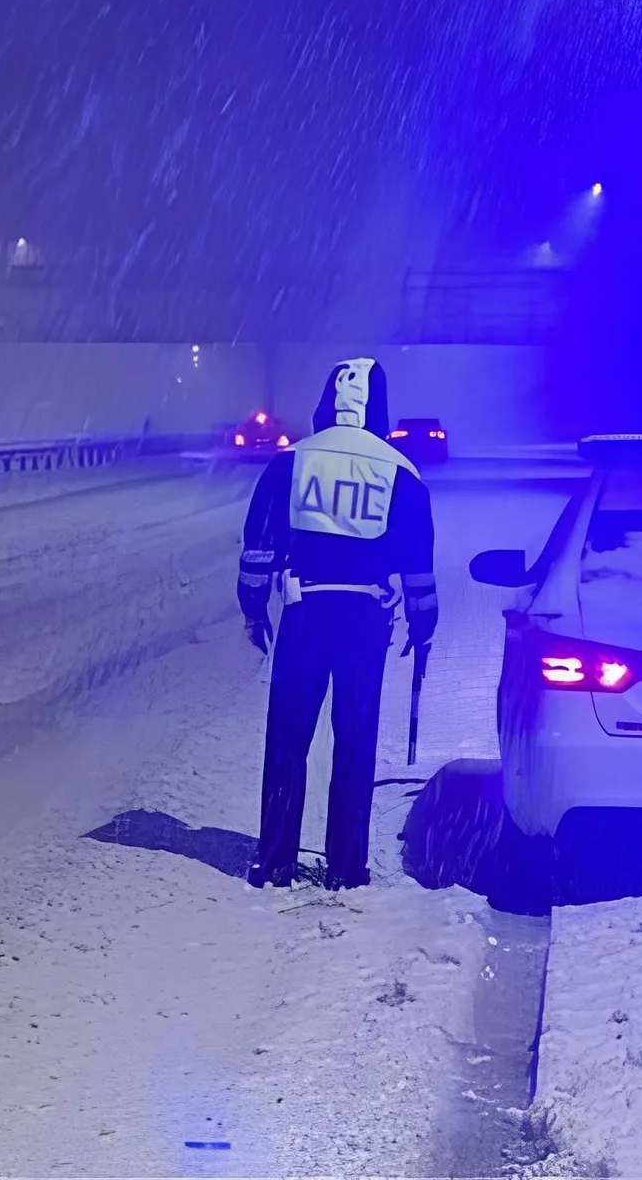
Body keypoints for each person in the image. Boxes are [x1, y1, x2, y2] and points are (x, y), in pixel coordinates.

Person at [237, 358, 437, 890]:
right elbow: (418, 563)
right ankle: (347, 866)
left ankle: (275, 858)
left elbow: (259, 546)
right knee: (355, 740)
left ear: (326, 400)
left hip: (304, 613)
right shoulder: (401, 472)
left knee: (287, 739)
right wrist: (423, 623)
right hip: (365, 621)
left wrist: (254, 607)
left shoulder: (291, 463)